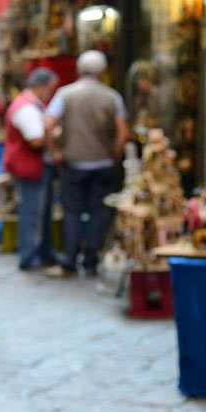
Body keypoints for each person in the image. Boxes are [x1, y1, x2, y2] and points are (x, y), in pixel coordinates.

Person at [46, 50, 129, 275]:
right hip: (102, 163)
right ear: (101, 72)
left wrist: (56, 152)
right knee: (98, 212)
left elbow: (49, 123)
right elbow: (123, 132)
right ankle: (91, 259)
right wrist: (115, 155)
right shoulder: (112, 96)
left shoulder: (65, 94)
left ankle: (70, 259)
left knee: (72, 212)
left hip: (74, 162)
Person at [1, 67, 61, 270]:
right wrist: (54, 134)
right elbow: (35, 140)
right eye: (50, 89)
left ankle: (42, 252)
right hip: (31, 168)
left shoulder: (30, 105)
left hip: (32, 167)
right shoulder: (27, 108)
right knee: (32, 213)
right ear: (41, 87)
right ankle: (29, 256)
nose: (51, 94)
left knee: (39, 212)